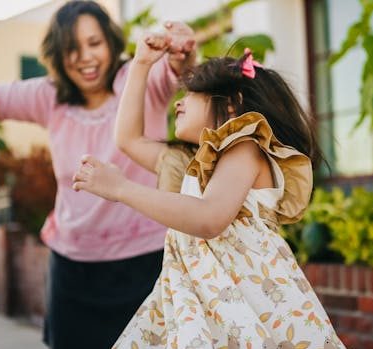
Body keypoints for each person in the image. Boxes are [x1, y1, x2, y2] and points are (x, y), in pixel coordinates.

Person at [0, 1, 196, 347]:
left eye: (94, 43)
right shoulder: (50, 96)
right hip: (73, 266)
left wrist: (182, 51)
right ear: (58, 55)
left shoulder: (139, 77)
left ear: (111, 42)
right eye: (71, 48)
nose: (85, 57)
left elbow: (177, 68)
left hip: (148, 260)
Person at [72, 34, 347, 348]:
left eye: (191, 94)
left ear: (230, 104)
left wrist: (121, 188)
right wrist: (142, 63)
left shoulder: (246, 148)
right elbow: (128, 139)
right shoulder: (190, 162)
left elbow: (209, 217)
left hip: (248, 305)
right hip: (198, 303)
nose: (179, 102)